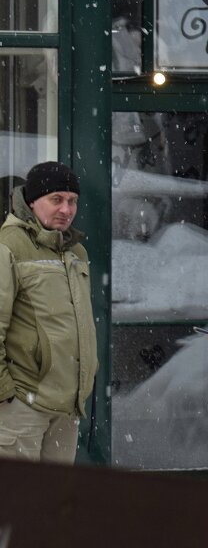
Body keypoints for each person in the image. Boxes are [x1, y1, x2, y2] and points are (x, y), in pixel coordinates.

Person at [0, 161, 97, 463]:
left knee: (54, 506)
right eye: (56, 199)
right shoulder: (10, 245)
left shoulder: (76, 252)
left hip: (66, 406)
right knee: (18, 505)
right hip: (23, 406)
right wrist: (4, 392)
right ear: (32, 201)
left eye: (72, 201)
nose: (66, 209)